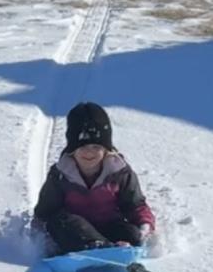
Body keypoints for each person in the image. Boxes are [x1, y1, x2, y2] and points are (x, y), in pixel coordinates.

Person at [33, 102, 155, 255]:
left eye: (96, 147)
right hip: (76, 233)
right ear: (72, 149)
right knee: (62, 222)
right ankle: (99, 248)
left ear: (105, 149)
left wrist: (144, 227)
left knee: (133, 235)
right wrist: (42, 242)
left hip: (109, 227)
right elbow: (45, 212)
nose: (89, 153)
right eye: (83, 147)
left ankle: (115, 248)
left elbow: (135, 205)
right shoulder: (61, 174)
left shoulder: (119, 172)